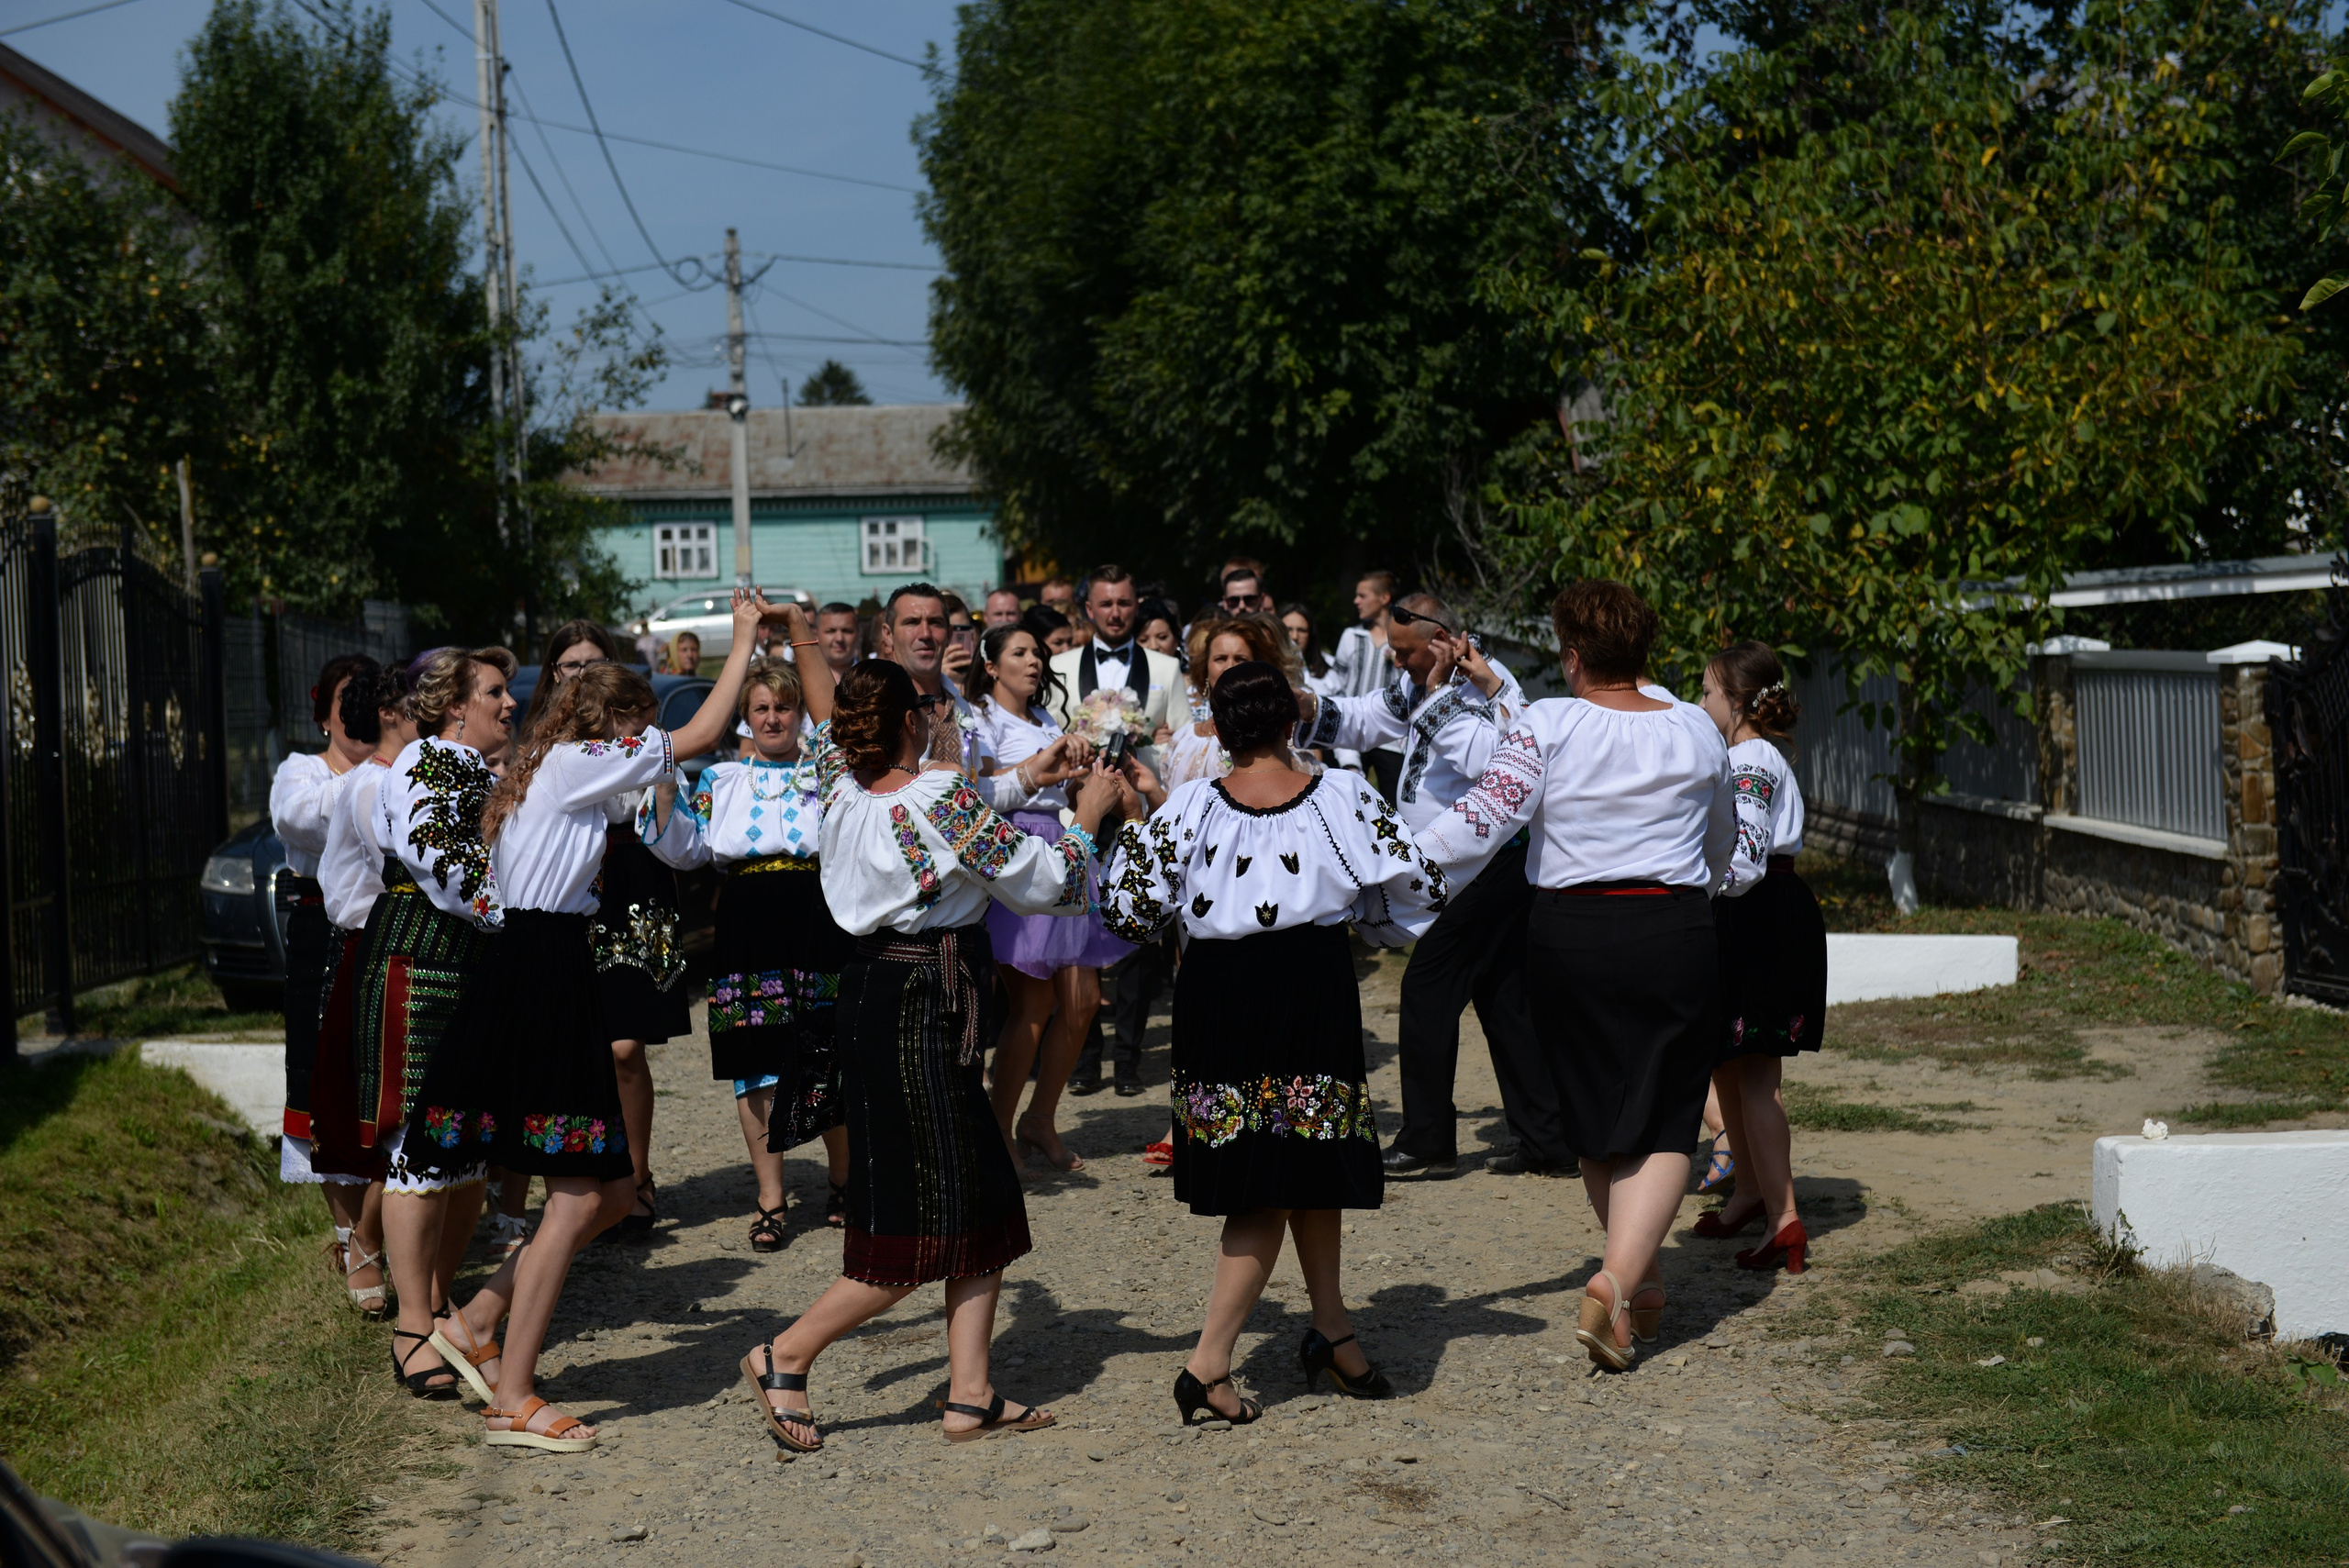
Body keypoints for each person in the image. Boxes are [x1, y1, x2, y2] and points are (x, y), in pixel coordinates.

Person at [409, 591, 776, 1452]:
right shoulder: (575, 760)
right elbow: (699, 733)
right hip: (541, 968)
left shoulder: (560, 772)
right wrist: (748, 641)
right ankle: (514, 1393)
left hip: (545, 964)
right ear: (608, 723)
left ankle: (477, 1321)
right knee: (577, 1192)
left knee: (609, 1190)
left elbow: (673, 834)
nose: (641, 745)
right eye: (635, 727)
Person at [739, 658, 1127, 1451]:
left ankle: (970, 1392)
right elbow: (1044, 880)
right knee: (917, 1223)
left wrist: (1029, 773)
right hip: (921, 1002)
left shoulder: (839, 780)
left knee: (984, 1195)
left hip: (885, 993)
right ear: (911, 721)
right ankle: (786, 1354)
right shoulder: (936, 797)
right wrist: (1087, 814)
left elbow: (950, 818)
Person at [1102, 661, 1445, 1421]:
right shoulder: (1344, 796)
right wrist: (1364, 917)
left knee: (1305, 1170)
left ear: (1219, 732)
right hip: (1309, 986)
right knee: (1270, 1178)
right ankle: (1208, 1362)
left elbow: (1126, 914)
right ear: (1292, 724)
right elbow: (1422, 883)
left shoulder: (1189, 805)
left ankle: (1332, 1331)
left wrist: (1133, 827)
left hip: (1218, 993)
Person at [1415, 581, 1733, 1372]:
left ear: (1573, 654)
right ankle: (1632, 1275)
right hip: (1673, 924)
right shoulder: (1697, 725)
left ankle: (1623, 1276)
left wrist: (1387, 867)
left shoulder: (1546, 722)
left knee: (1593, 1105)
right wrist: (1706, 881)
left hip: (1569, 932)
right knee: (1666, 1112)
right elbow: (1724, 842)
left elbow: (1480, 822)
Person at [1297, 595, 1572, 1181]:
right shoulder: (1420, 678)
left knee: (1427, 990)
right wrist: (1308, 708)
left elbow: (1489, 762)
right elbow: (1372, 717)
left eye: (1406, 653)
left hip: (1488, 865)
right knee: (1504, 1001)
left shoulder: (1495, 687)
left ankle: (1428, 1141)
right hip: (1454, 870)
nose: (1398, 665)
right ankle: (1547, 1141)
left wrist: (1443, 689)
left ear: (1443, 640)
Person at [306, 647, 515, 1400]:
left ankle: (435, 1302)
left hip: (466, 962)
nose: (509, 702)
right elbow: (444, 864)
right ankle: (411, 1326)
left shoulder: (486, 775)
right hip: (419, 959)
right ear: (455, 705)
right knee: (416, 1143)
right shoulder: (426, 764)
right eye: (495, 691)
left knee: (464, 1152)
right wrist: (513, 913)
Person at [646, 619, 854, 1248]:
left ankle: (844, 1181)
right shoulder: (721, 781)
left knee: (827, 1051)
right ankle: (771, 1195)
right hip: (747, 917)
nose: (773, 718)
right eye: (761, 707)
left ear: (797, 713)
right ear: (746, 716)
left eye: (784, 707)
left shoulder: (827, 773)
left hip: (816, 913)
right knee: (755, 1061)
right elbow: (682, 848)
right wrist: (662, 778)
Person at [970, 625, 1134, 1171]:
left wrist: (1082, 778)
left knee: (1084, 1002)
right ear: (991, 665)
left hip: (1067, 846)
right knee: (1034, 1004)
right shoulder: (980, 720)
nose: (1034, 660)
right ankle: (997, 1125)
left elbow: (1057, 788)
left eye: (1037, 650)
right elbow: (980, 789)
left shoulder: (1043, 719)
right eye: (1019, 652)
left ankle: (1039, 1119)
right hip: (1018, 852)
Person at [1693, 641, 1825, 1274]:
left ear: (1738, 701)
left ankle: (1784, 1217)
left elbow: (1744, 858)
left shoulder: (1749, 757)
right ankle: (1750, 1191)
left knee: (1756, 1078)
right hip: (1753, 910)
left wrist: (1697, 889)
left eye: (1707, 691)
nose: (1699, 701)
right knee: (1727, 1064)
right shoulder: (1746, 754)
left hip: (1757, 913)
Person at [270, 654, 384, 1279]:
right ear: (325, 713)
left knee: (378, 1068)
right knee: (318, 1070)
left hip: (383, 922)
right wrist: (377, 773)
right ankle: (348, 1233)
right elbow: (298, 817)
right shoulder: (302, 771)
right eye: (350, 698)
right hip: (320, 926)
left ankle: (374, 1225)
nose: (362, 710)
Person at [1045, 565, 1182, 776]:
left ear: (1136, 607)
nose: (1115, 613)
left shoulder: (1167, 667)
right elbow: (1046, 739)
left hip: (1144, 801)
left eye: (1124, 604)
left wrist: (1152, 748)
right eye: (1106, 604)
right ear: (1090, 609)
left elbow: (1184, 746)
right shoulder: (1058, 667)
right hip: (1077, 802)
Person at [1330, 572, 1401, 793]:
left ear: (1384, 598)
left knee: (1392, 801)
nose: (1356, 601)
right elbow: (1337, 684)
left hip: (1391, 737)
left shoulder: (1402, 640)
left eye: (1362, 595)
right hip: (1350, 731)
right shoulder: (1351, 636)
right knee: (1343, 794)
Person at [1279, 603, 1337, 697]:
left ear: (1311, 635)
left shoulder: (1330, 666)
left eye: (1301, 630)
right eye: (1288, 629)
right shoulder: (1267, 668)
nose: (1294, 636)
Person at [816, 602, 863, 680]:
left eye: (846, 631)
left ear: (858, 634)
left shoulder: (873, 679)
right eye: (831, 631)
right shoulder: (802, 678)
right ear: (816, 635)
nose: (839, 638)